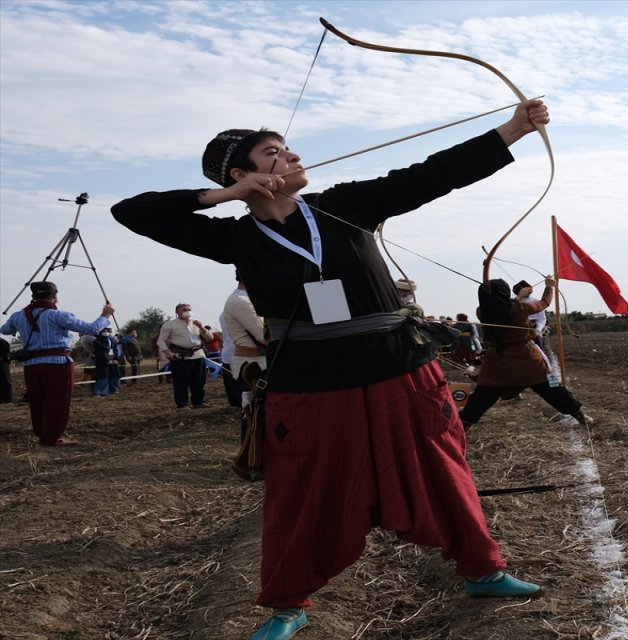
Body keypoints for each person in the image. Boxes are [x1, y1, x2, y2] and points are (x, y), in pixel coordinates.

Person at [112, 98, 551, 640]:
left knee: (442, 471)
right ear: (242, 175)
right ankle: (287, 606)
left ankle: (483, 570)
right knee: (301, 494)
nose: (293, 156)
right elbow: (131, 211)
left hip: (400, 370)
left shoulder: (344, 205)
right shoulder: (232, 238)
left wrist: (513, 128)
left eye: (287, 148)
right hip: (310, 383)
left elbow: (432, 174)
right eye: (273, 153)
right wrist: (224, 198)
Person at [458, 277, 593, 430]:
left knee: (483, 394)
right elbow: (544, 303)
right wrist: (549, 286)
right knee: (554, 387)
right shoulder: (521, 308)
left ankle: (464, 424)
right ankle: (580, 416)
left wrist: (518, 297)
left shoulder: (482, 311)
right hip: (529, 361)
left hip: (497, 362)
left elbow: (501, 307)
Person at [0, 281, 112, 446]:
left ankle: (43, 435)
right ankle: (51, 438)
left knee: (37, 401)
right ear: (54, 296)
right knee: (57, 401)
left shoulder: (19, 315)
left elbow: (5, 330)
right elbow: (91, 329)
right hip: (57, 364)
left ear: (33, 296)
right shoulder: (59, 315)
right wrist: (105, 315)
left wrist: (25, 312)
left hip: (31, 365)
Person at [221, 273, 266, 412]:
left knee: (255, 406)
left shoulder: (247, 300)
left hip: (255, 360)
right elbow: (263, 336)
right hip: (252, 361)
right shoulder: (241, 301)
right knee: (254, 410)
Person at [157, 303, 213, 408]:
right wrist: (167, 352)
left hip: (198, 356)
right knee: (181, 382)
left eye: (189, 309)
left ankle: (198, 402)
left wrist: (201, 327)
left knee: (199, 381)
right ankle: (182, 404)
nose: (187, 311)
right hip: (181, 357)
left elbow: (210, 338)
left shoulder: (196, 324)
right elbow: (161, 341)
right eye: (184, 309)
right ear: (177, 312)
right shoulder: (170, 325)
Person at [513, 279, 549, 354]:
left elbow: (542, 319)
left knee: (540, 353)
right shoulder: (513, 302)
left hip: (533, 330)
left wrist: (538, 329)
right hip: (517, 331)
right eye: (524, 290)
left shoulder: (536, 301)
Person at [91, 327, 122, 397]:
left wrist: (116, 359)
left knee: (114, 376)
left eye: (107, 331)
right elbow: (101, 352)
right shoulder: (97, 342)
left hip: (113, 361)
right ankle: (100, 392)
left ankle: (113, 390)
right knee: (103, 377)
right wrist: (108, 360)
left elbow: (115, 350)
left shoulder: (112, 340)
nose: (106, 333)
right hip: (103, 362)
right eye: (104, 331)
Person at [0, 336, 12, 404]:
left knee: (5, 381)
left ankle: (6, 399)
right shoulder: (4, 342)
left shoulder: (3, 342)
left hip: (2, 364)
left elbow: (6, 356)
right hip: (3, 363)